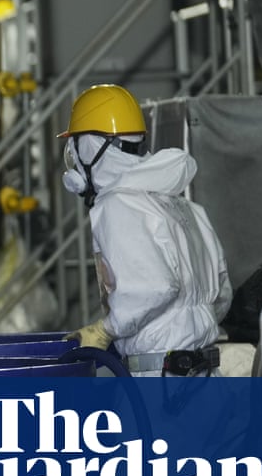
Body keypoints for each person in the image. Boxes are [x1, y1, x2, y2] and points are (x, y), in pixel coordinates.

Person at [60, 84, 232, 377]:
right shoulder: (181, 205)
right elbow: (223, 293)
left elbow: (154, 287)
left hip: (161, 380)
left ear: (90, 147)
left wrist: (105, 330)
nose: (74, 162)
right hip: (204, 374)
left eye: (74, 148)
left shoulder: (117, 204)